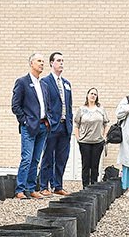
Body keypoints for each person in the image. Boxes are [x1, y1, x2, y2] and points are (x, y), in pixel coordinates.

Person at [11, 52, 50, 199]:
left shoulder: (44, 85)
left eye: (43, 61)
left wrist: (48, 121)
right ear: (31, 63)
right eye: (39, 61)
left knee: (36, 159)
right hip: (29, 126)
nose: (42, 64)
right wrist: (25, 121)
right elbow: (15, 106)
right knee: (27, 158)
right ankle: (20, 189)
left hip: (42, 127)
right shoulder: (22, 82)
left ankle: (31, 188)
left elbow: (47, 105)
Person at [38, 52, 74, 195]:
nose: (61, 63)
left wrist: (70, 122)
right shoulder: (45, 82)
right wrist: (49, 121)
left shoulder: (66, 83)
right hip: (52, 125)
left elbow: (69, 105)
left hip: (65, 126)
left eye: (62, 61)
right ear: (51, 63)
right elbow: (44, 104)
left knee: (62, 157)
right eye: (58, 60)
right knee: (48, 156)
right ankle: (44, 186)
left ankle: (58, 186)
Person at [74, 88, 108, 187]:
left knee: (95, 166)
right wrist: (78, 138)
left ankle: (93, 186)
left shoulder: (101, 109)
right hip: (84, 142)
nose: (93, 95)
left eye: (95, 94)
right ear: (87, 95)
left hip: (98, 142)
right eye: (91, 93)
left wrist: (104, 136)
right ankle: (85, 186)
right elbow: (76, 124)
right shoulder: (81, 109)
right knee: (86, 165)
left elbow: (106, 123)